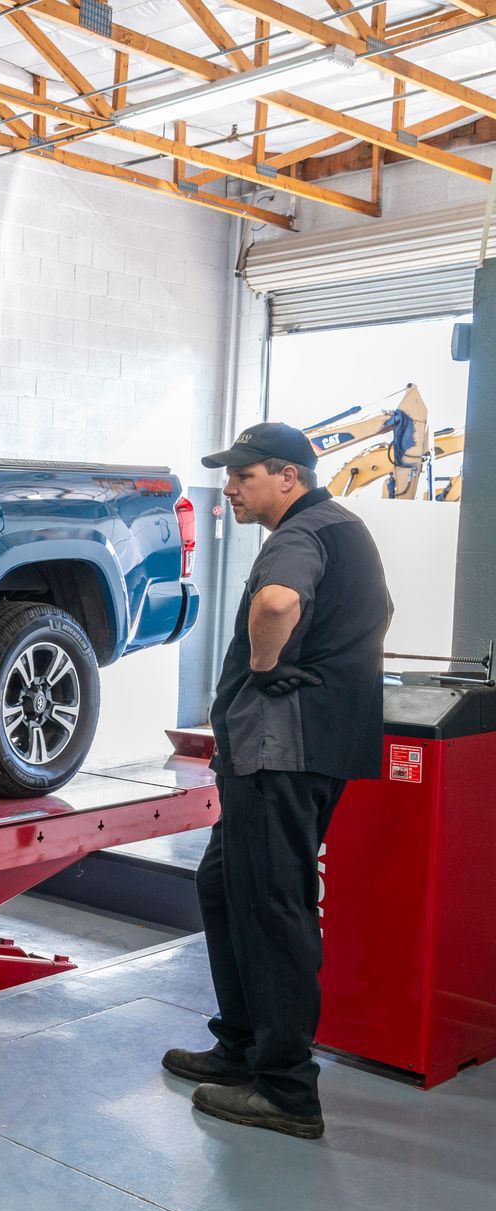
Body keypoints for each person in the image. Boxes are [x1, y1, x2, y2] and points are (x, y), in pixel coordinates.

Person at [164, 423, 391, 1140]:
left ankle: (287, 1090)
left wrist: (263, 671)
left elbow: (276, 604)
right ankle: (241, 1048)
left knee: (272, 905)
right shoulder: (342, 529)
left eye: (243, 476)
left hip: (279, 749)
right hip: (307, 746)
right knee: (223, 884)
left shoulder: (300, 533)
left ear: (288, 476)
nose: (229, 488)